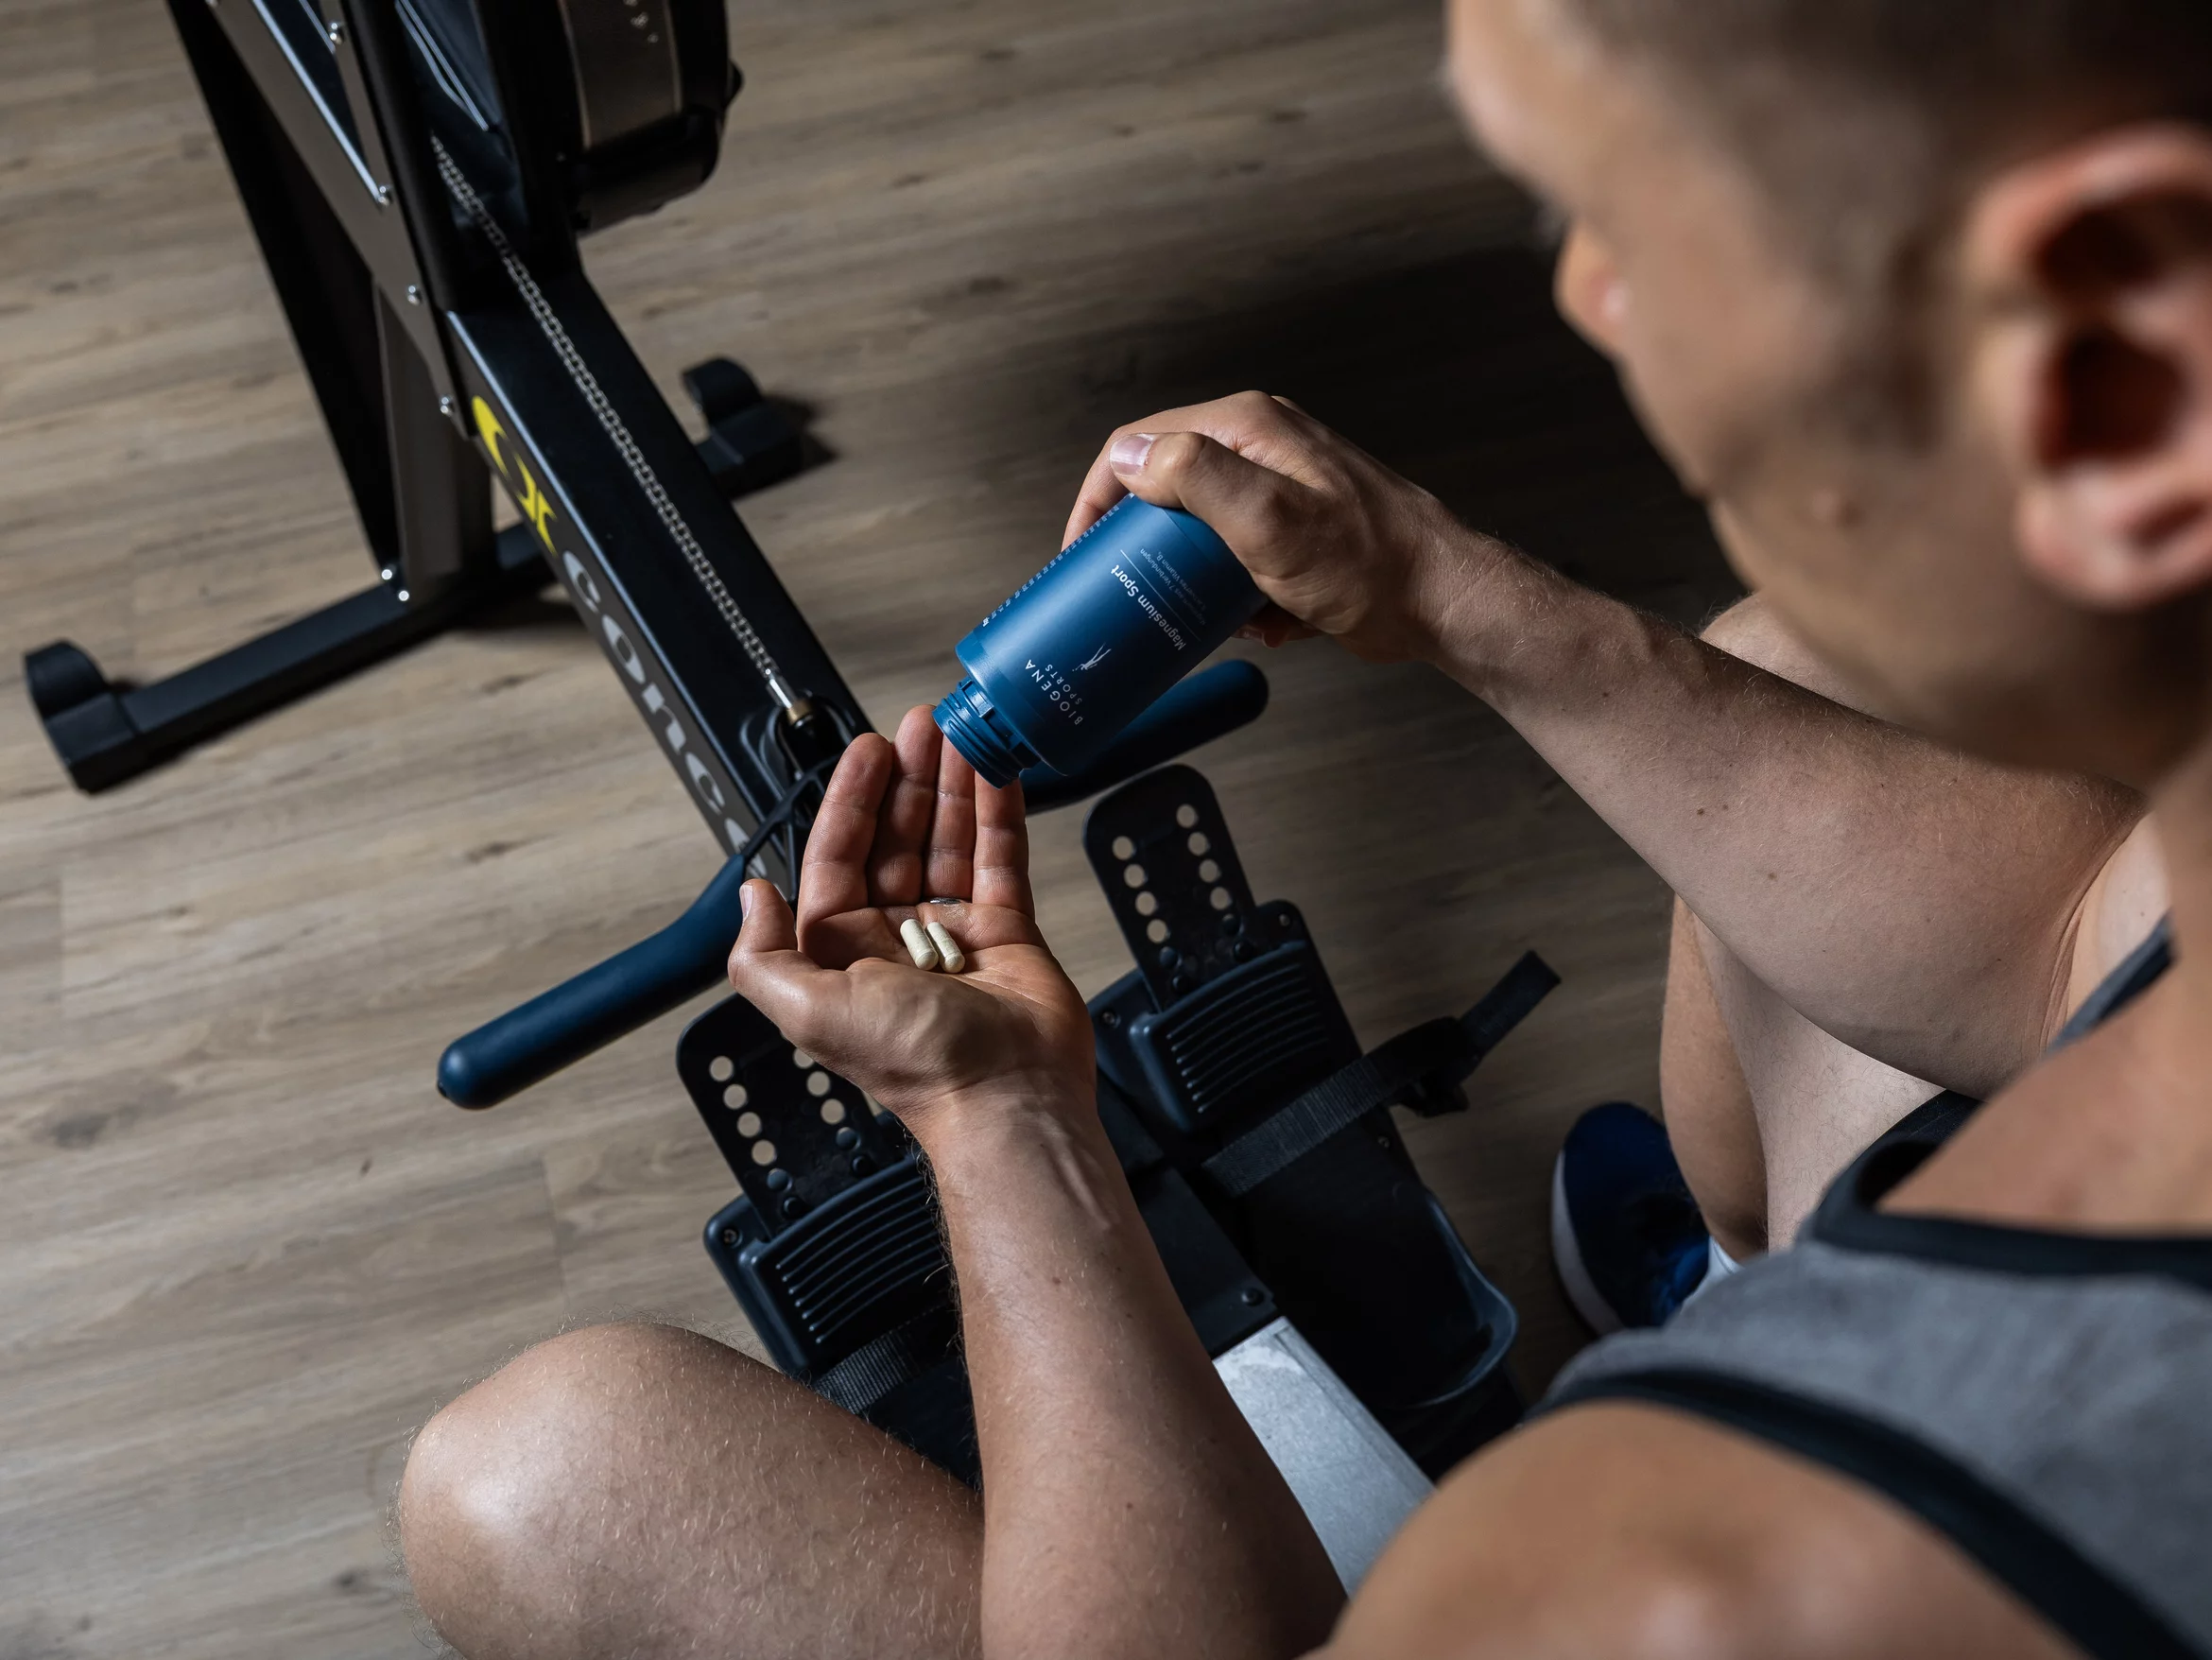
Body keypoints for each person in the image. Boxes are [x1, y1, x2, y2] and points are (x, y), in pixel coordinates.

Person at [395, 1, 2212, 1655]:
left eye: (1637, 221)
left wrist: (1003, 1118)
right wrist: (1438, 585)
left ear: (2117, 362)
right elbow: (2066, 943)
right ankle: (1739, 1277)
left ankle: (1751, 1310)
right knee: (1791, 669)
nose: (1593, 297)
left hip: (1766, 1479)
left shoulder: (1700, 1578)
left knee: (538, 1481)